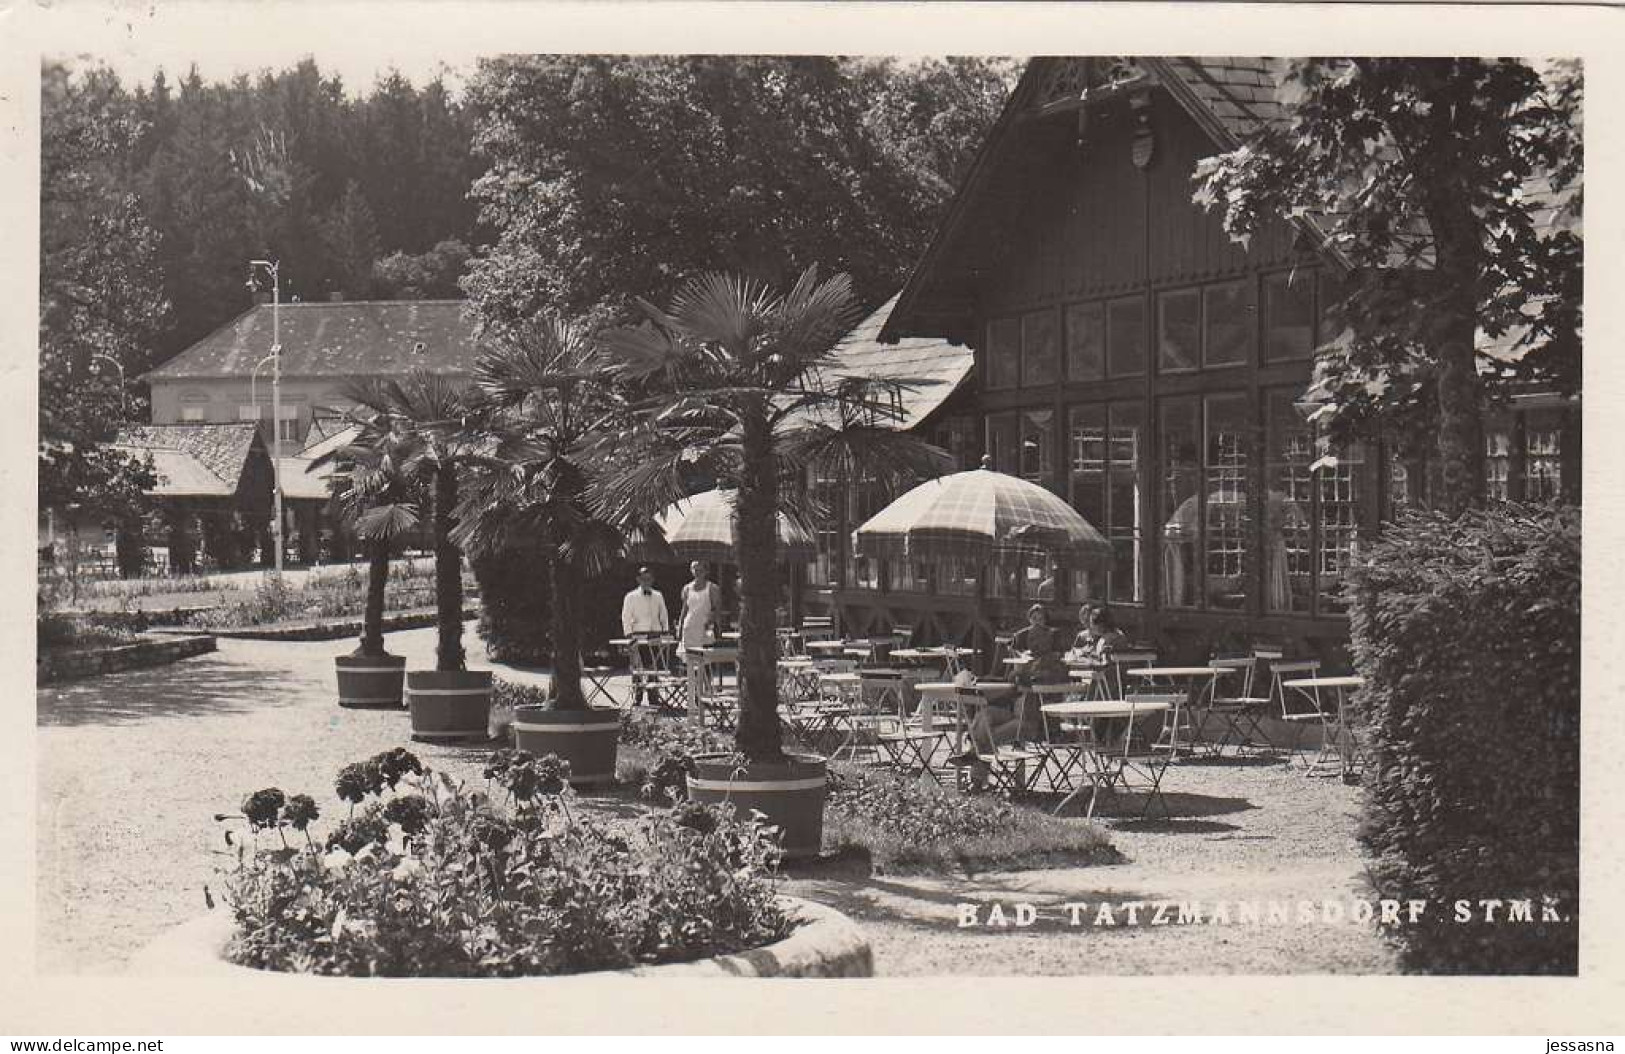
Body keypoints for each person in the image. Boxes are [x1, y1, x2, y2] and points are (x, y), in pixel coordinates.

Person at [949, 605, 1065, 788]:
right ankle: (977, 771)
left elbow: (1043, 682)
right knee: (984, 714)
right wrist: (1016, 674)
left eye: (1037, 638)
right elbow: (1012, 684)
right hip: (1015, 711)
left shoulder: (1054, 663)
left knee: (987, 736)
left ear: (1047, 640)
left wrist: (1026, 677)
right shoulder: (1027, 660)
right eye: (1031, 638)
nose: (1033, 643)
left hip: (1035, 720)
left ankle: (976, 777)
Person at [677, 561, 722, 649]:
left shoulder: (713, 588)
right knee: (688, 658)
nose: (697, 573)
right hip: (689, 628)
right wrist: (680, 627)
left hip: (704, 629)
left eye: (700, 570)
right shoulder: (687, 589)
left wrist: (712, 624)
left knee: (705, 659)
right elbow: (684, 610)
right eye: (695, 570)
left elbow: (717, 610)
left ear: (706, 572)